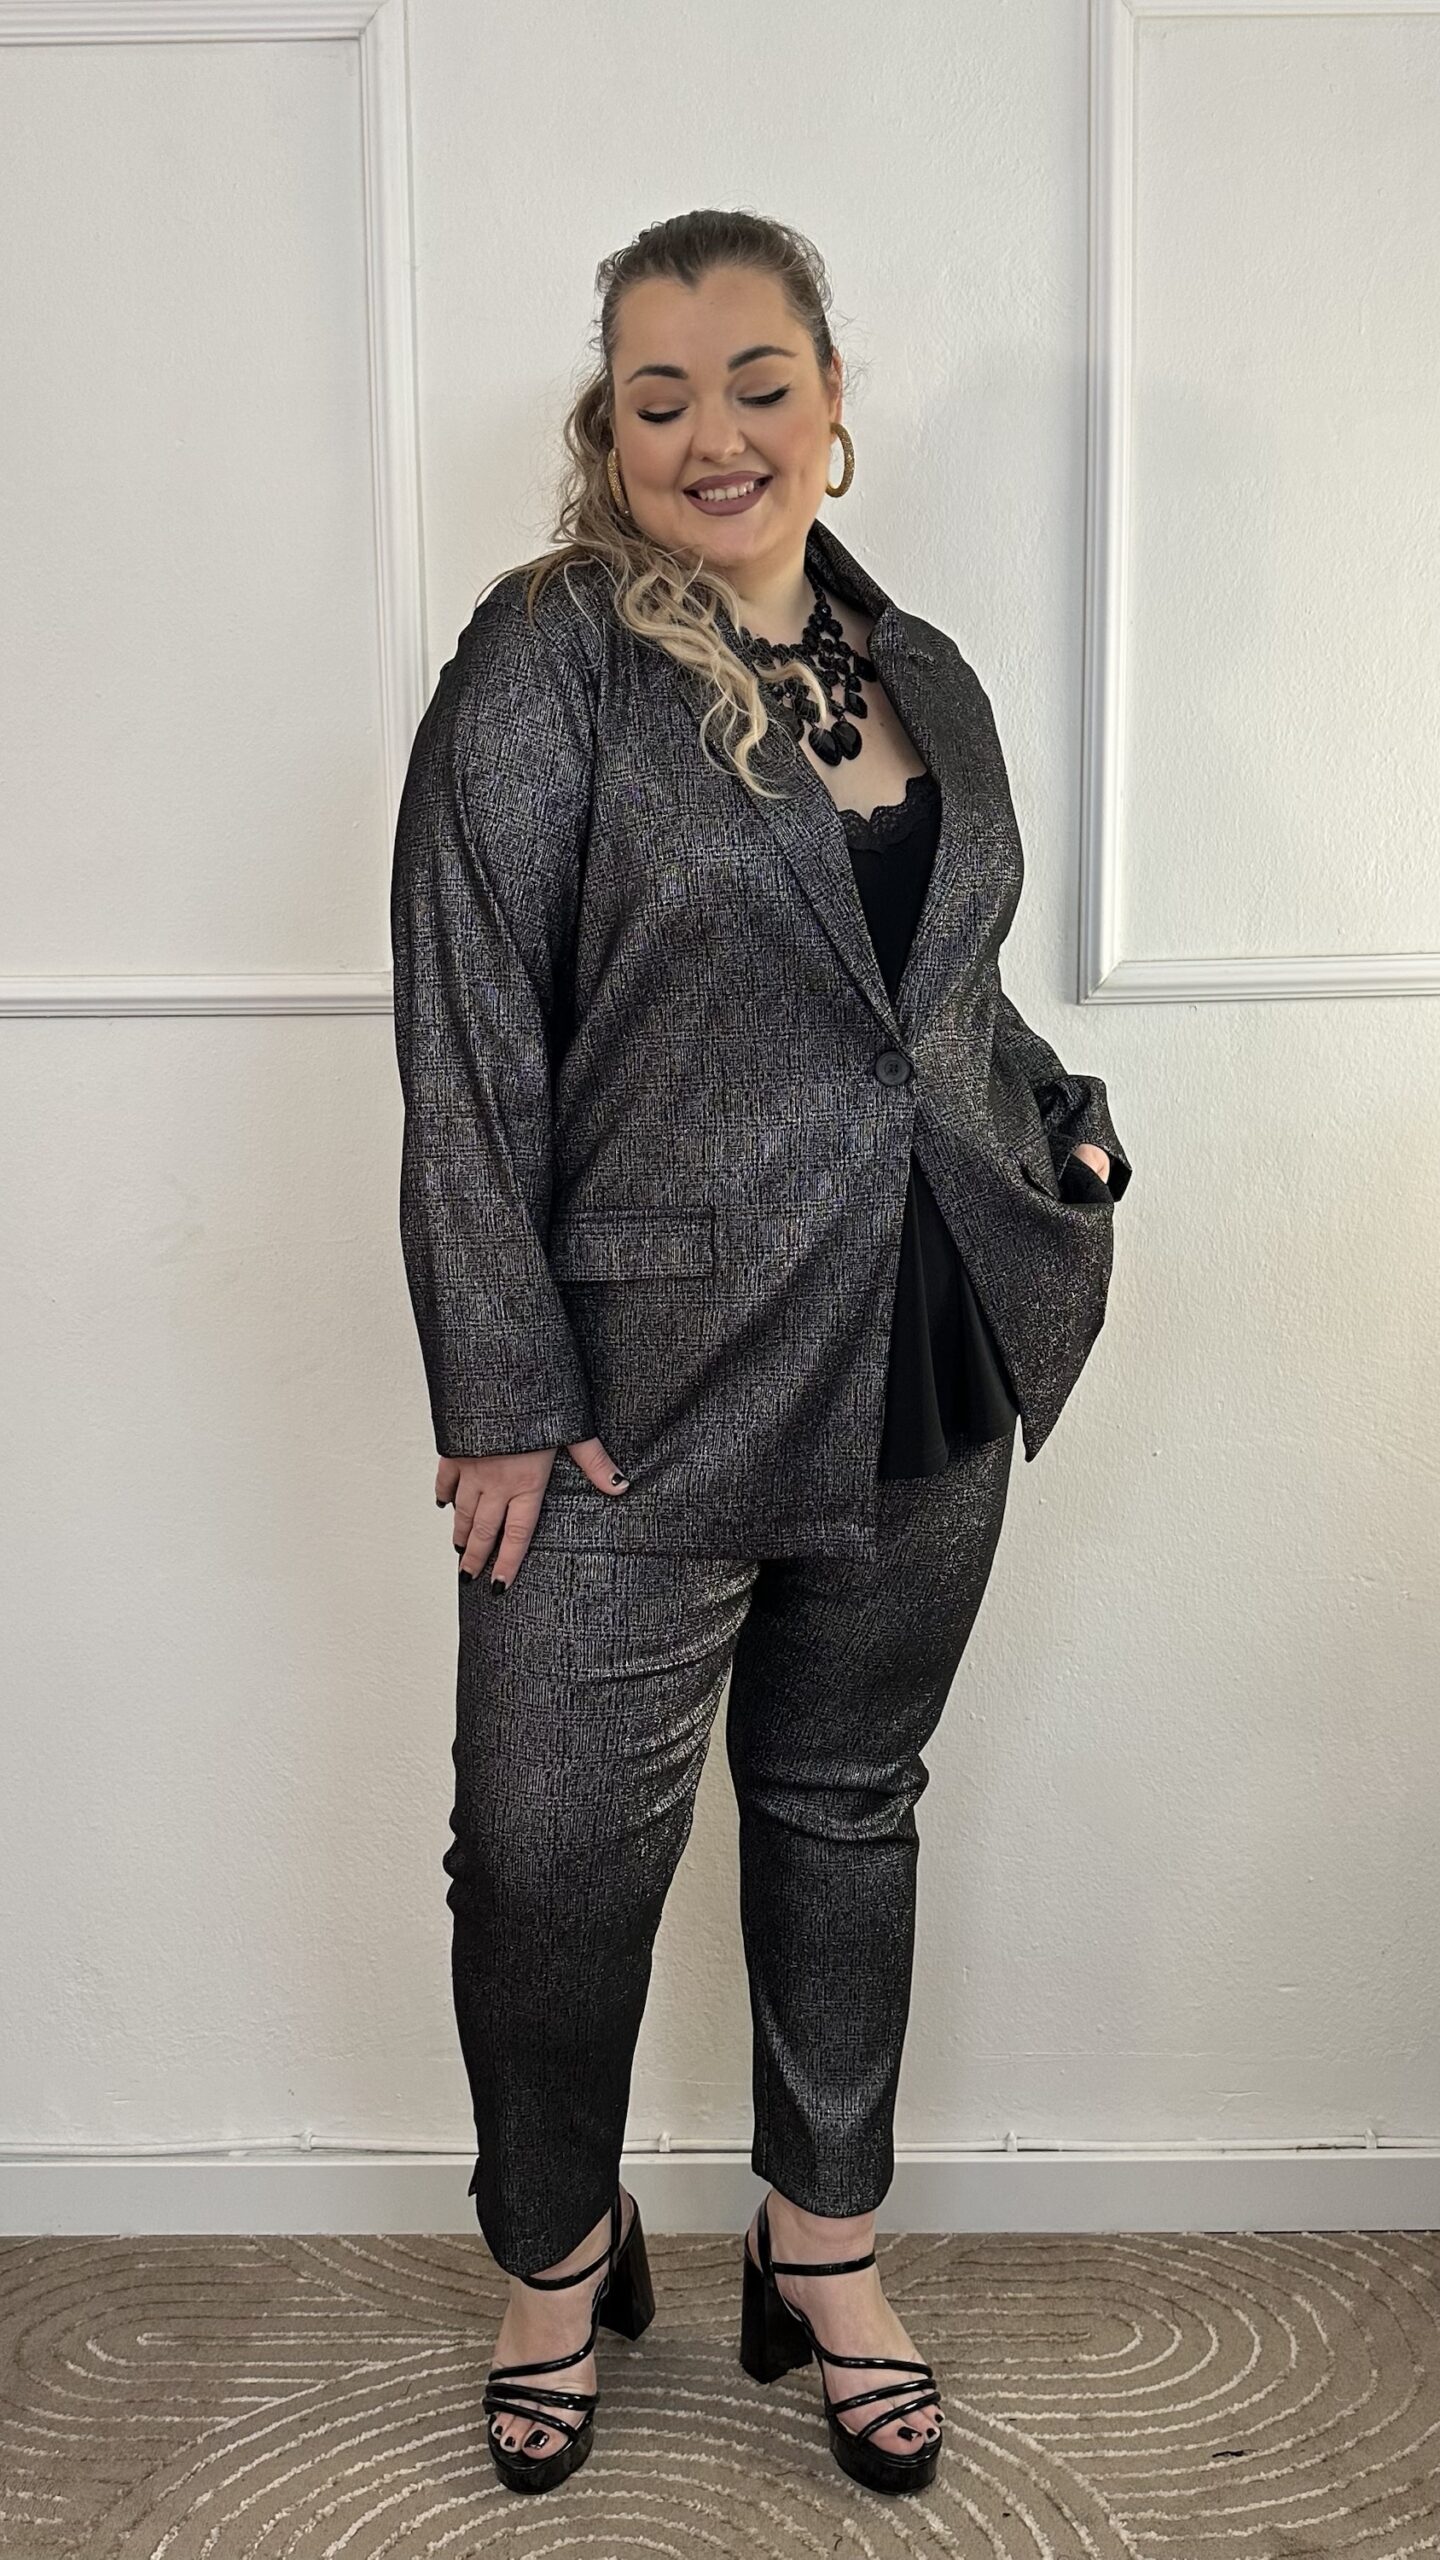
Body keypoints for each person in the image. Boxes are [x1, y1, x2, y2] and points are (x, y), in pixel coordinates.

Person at [389, 208, 1132, 2501]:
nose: (713, 430)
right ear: (606, 432)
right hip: (643, 1395)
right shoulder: (551, 665)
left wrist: (1067, 1122)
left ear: (831, 405)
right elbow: (471, 1047)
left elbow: (938, 993)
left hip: (928, 1352)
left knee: (843, 1806)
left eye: (756, 380)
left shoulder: (932, 675)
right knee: (544, 1860)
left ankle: (824, 2245)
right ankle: (558, 2249)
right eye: (659, 394)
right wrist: (505, 1395)